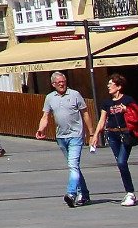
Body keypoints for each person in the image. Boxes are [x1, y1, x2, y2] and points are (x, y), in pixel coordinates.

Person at [34, 71, 93, 206]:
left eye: (64, 81)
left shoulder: (75, 95)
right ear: (53, 84)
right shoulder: (50, 98)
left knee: (73, 166)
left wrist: (91, 133)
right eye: (59, 82)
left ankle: (71, 193)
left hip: (76, 135)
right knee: (74, 167)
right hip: (61, 137)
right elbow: (45, 116)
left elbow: (85, 114)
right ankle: (84, 194)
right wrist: (41, 129)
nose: (62, 84)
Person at [90, 71, 138, 207]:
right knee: (120, 163)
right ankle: (129, 192)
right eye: (108, 84)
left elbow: (137, 115)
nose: (108, 86)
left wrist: (126, 110)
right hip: (112, 135)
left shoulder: (128, 100)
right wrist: (95, 135)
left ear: (119, 87)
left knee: (121, 162)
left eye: (111, 84)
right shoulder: (106, 103)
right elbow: (102, 120)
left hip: (125, 134)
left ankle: (130, 193)